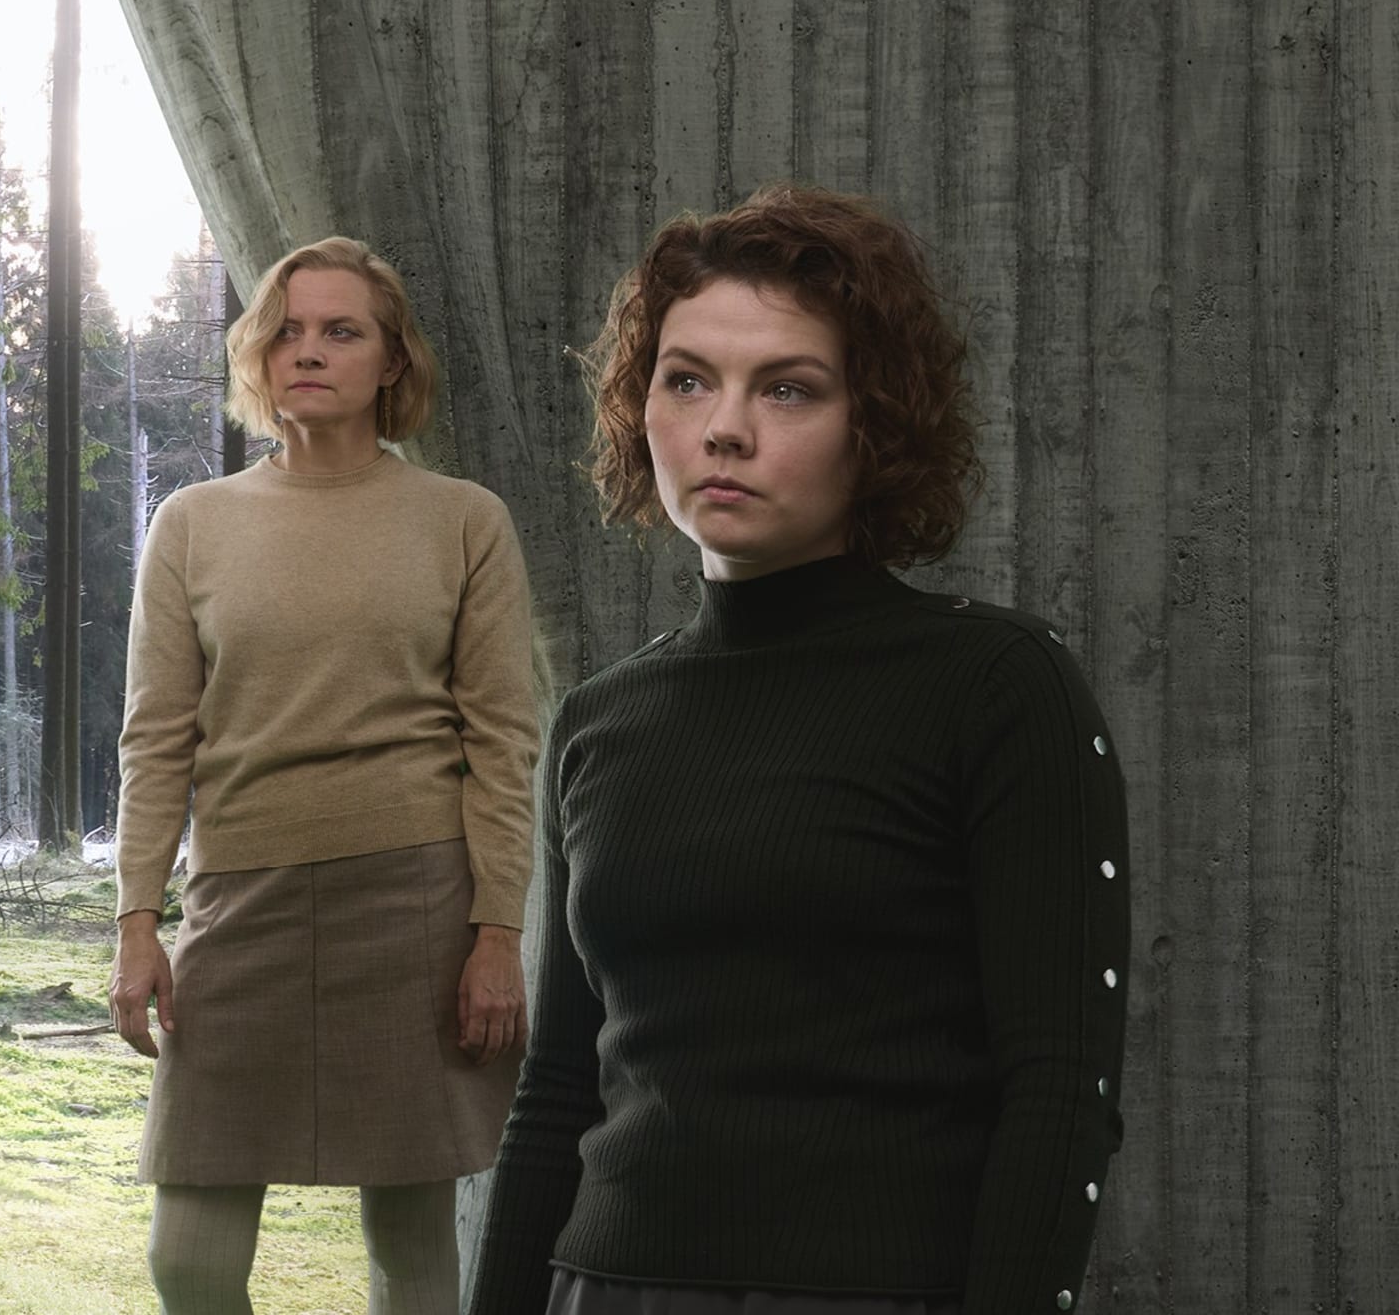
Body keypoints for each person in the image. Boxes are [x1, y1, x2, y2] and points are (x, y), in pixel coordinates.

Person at [465, 184, 1130, 1315]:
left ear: (876, 422)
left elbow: (1060, 1091)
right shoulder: (597, 722)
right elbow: (558, 1094)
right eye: (687, 380)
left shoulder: (997, 687)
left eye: (787, 387)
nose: (725, 427)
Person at [106, 236, 542, 1315]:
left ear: (392, 361)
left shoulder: (464, 520)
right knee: (190, 1259)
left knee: (410, 1242)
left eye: (341, 331)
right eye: (286, 330)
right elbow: (155, 738)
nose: (307, 351)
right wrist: (137, 920)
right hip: (237, 904)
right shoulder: (192, 524)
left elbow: (502, 743)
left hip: (415, 907)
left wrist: (498, 933)